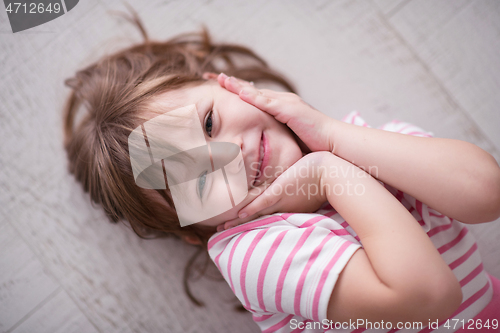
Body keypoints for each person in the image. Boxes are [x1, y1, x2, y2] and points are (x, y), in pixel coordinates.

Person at [63, 14, 500, 332]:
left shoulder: (361, 141)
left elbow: (486, 191)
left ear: (223, 81)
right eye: (199, 178)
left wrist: (331, 138)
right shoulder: (253, 252)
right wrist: (326, 172)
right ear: (198, 232)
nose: (230, 152)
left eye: (210, 123)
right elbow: (430, 298)